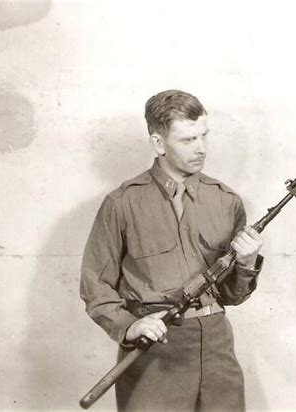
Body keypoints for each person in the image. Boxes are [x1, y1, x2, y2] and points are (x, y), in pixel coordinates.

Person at [80, 90, 264, 411]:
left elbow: (232, 295)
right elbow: (95, 286)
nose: (201, 149)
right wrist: (130, 326)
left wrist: (247, 263)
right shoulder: (122, 204)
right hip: (154, 352)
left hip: (217, 349)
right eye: (188, 140)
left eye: (204, 136)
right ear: (159, 144)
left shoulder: (226, 201)